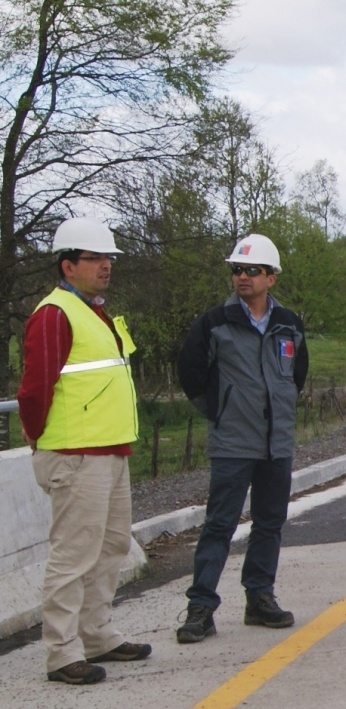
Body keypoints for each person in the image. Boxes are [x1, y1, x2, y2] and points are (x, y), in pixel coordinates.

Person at [16, 217, 151, 684]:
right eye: (94, 259)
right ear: (67, 265)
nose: (105, 266)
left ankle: (97, 634)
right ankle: (61, 652)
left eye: (108, 258)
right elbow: (35, 390)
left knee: (112, 546)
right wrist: (39, 439)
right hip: (76, 454)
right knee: (73, 555)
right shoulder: (54, 314)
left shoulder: (93, 312)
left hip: (109, 451)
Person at [175, 233, 308, 643]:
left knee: (270, 523)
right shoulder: (215, 322)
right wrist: (221, 410)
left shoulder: (289, 324)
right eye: (237, 270)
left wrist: (279, 411)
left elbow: (297, 377)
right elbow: (191, 375)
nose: (242, 277)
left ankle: (260, 598)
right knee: (220, 525)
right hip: (233, 442)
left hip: (276, 443)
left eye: (252, 270)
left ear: (272, 277)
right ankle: (201, 607)